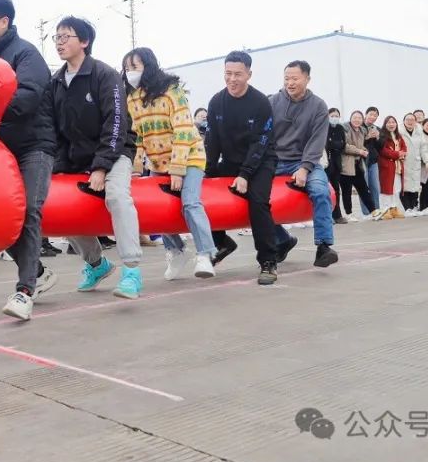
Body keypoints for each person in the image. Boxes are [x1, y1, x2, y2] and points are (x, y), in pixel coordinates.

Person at [0, 0, 58, 320]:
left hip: (34, 147)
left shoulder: (25, 54)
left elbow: (27, 98)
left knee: (28, 211)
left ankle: (25, 291)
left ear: (4, 21)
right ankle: (39, 271)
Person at [49, 16, 144, 298]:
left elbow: (116, 123)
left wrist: (101, 167)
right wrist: (57, 166)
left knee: (116, 196)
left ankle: (132, 270)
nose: (59, 43)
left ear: (84, 41)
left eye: (65, 37)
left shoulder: (105, 75)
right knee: (62, 206)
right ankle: (96, 264)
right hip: (76, 158)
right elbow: (55, 130)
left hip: (115, 152)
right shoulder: (55, 82)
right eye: (57, 37)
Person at [123, 47, 217, 280]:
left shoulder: (171, 92)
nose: (130, 72)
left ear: (148, 67)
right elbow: (137, 135)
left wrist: (177, 169)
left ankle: (205, 253)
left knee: (190, 202)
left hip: (190, 156)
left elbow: (183, 130)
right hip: (157, 162)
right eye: (126, 68)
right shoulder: (132, 98)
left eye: (134, 67)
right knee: (157, 208)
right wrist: (136, 168)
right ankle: (176, 251)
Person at [205, 51, 295, 285]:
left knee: (257, 202)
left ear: (249, 74)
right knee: (203, 193)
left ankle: (268, 260)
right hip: (231, 160)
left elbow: (260, 143)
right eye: (228, 73)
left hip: (262, 160)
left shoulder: (260, 102)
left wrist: (245, 174)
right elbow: (212, 141)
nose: (232, 79)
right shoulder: (216, 102)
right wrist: (207, 171)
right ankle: (221, 242)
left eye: (238, 74)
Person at [270, 61, 339, 268]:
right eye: (286, 79)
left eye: (295, 78)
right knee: (255, 197)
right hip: (274, 162)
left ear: (307, 79)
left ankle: (324, 247)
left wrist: (304, 168)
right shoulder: (272, 102)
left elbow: (317, 141)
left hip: (304, 161)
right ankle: (282, 240)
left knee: (320, 191)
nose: (290, 83)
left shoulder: (318, 106)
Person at [338, 110, 375, 220]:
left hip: (358, 165)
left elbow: (360, 145)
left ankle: (373, 211)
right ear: (351, 118)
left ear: (362, 119)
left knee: (364, 189)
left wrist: (364, 150)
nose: (357, 120)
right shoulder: (344, 128)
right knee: (347, 191)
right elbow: (344, 146)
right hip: (346, 164)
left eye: (359, 118)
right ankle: (349, 214)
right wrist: (360, 151)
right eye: (355, 117)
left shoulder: (362, 130)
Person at [376, 116, 407, 218]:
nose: (391, 124)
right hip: (386, 165)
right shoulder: (382, 136)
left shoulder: (398, 136)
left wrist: (402, 153)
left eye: (393, 122)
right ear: (385, 124)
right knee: (386, 188)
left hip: (397, 166)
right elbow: (383, 150)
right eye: (389, 122)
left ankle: (393, 208)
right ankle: (385, 210)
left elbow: (404, 147)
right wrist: (397, 154)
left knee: (396, 188)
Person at [399, 113, 425, 216]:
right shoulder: (399, 132)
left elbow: (423, 147)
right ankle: (407, 208)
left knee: (415, 185)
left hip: (416, 162)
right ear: (404, 121)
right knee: (404, 186)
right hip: (404, 162)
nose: (410, 122)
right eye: (408, 119)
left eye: (412, 120)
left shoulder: (419, 132)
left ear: (415, 121)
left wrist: (427, 161)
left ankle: (414, 206)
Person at [325, 108, 349, 224]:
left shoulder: (340, 128)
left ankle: (337, 215)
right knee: (326, 190)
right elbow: (326, 143)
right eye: (332, 115)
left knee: (336, 190)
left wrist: (334, 144)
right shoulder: (324, 127)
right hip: (326, 163)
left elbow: (343, 144)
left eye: (336, 116)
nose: (334, 118)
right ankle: (327, 215)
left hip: (337, 163)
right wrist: (335, 144)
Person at [364, 107, 382, 215]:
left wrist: (378, 137)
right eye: (371, 114)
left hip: (373, 161)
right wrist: (367, 137)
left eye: (375, 115)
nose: (373, 117)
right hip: (362, 161)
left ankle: (377, 210)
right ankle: (366, 213)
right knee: (364, 187)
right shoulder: (359, 127)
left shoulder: (377, 129)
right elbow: (357, 143)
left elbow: (381, 147)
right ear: (366, 114)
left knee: (375, 187)